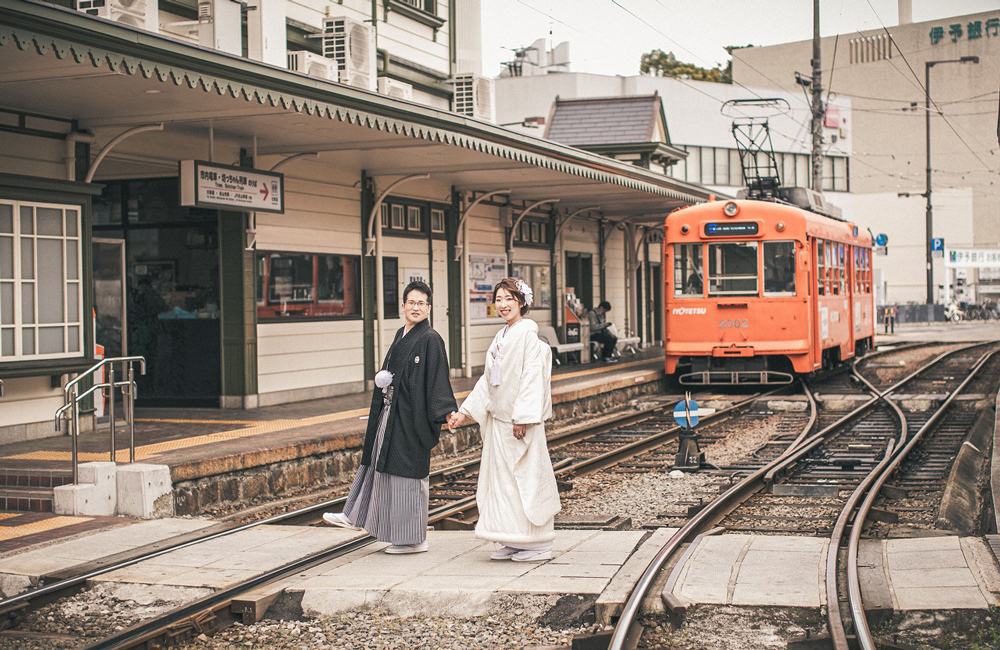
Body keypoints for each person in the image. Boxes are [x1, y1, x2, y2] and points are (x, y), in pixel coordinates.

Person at [322, 281, 456, 554]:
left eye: (421, 303)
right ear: (403, 306)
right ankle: (356, 514)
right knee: (376, 464)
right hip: (391, 413)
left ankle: (413, 539)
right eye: (411, 302)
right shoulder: (401, 333)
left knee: (406, 474)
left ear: (429, 308)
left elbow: (438, 379)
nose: (416, 307)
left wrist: (446, 411)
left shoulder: (430, 339)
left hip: (411, 418)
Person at [447, 278, 560, 562]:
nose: (503, 304)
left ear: (522, 302)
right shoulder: (502, 336)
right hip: (499, 423)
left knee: (525, 479)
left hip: (520, 424)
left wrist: (523, 417)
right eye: (499, 299)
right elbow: (488, 381)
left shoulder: (528, 337)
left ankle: (537, 543)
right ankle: (513, 539)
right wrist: (465, 411)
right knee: (502, 483)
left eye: (509, 298)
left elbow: (532, 379)